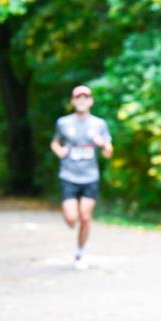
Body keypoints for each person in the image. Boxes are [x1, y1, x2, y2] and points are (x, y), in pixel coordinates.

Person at [50, 85, 113, 269]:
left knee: (85, 216)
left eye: (85, 97)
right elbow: (55, 143)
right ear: (73, 101)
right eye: (78, 97)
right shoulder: (63, 123)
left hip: (90, 176)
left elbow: (109, 152)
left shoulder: (99, 124)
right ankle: (70, 220)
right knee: (72, 218)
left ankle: (80, 253)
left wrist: (103, 145)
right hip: (69, 175)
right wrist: (59, 151)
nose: (82, 100)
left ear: (91, 101)